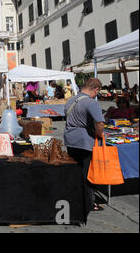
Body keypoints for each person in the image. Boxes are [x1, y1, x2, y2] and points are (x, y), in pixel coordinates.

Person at [64, 78, 105, 212]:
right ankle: (88, 202)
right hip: (84, 141)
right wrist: (99, 135)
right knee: (87, 173)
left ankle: (74, 197)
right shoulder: (91, 102)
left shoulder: (71, 100)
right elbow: (100, 122)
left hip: (70, 139)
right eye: (98, 92)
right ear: (96, 89)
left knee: (75, 171)